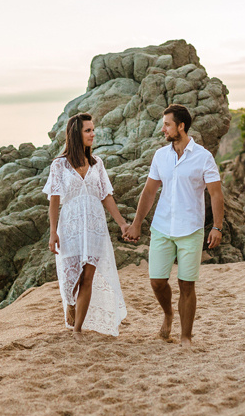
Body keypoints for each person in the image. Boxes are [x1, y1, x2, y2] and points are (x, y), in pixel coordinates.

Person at [124, 104, 224, 347]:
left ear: (181, 126)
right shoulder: (161, 156)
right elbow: (149, 191)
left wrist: (217, 227)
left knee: (186, 284)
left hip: (191, 228)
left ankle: (186, 338)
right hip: (161, 227)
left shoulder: (203, 157)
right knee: (157, 281)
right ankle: (168, 314)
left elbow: (216, 194)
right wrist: (137, 223)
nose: (163, 129)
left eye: (167, 124)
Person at [44, 113, 130, 339]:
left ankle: (78, 328)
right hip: (70, 227)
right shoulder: (59, 165)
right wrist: (53, 232)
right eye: (88, 130)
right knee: (71, 277)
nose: (93, 134)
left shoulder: (97, 164)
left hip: (95, 226)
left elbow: (106, 196)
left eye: (93, 130)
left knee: (88, 276)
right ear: (76, 134)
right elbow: (54, 200)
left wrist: (121, 223)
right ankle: (70, 303)